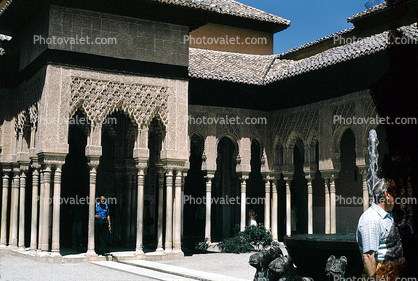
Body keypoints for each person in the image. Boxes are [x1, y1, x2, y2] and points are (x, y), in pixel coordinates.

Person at [356, 179, 405, 280]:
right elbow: (368, 257)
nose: (396, 198)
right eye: (394, 194)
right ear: (386, 194)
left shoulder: (387, 215)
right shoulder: (371, 219)